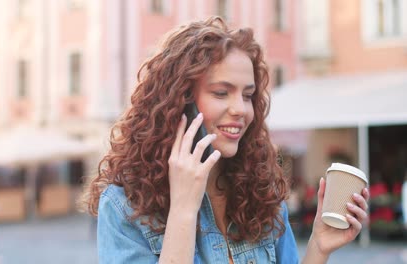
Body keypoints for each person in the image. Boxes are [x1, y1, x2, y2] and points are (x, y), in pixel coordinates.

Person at [81, 17, 370, 263]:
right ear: (179, 101)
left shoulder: (260, 192)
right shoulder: (125, 205)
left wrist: (318, 246)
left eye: (247, 95)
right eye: (221, 93)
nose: (240, 110)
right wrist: (183, 208)